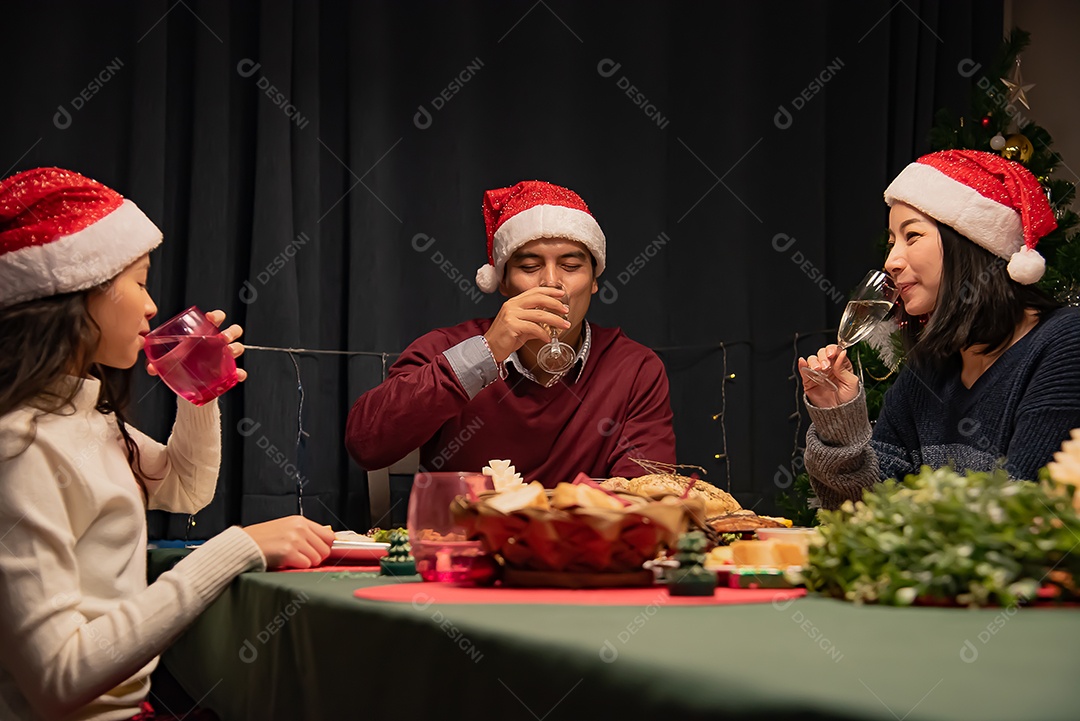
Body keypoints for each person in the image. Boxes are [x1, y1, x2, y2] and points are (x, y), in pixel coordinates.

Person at [0, 167, 335, 721]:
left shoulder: (82, 417)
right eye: (138, 281)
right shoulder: (21, 447)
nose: (153, 306)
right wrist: (238, 548)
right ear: (78, 292)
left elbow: (186, 488)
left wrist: (198, 391)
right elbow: (59, 679)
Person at [799, 150, 1080, 510]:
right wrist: (840, 426)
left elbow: (1024, 516)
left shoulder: (1063, 344)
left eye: (911, 236)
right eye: (891, 242)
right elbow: (862, 515)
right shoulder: (927, 370)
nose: (890, 261)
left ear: (972, 242)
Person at [346, 180, 676, 484]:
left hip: (583, 544)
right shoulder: (444, 346)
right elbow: (366, 445)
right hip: (466, 544)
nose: (551, 282)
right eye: (530, 267)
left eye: (571, 266)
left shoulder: (634, 369)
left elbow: (646, 493)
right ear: (503, 282)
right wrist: (486, 351)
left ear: (593, 281)